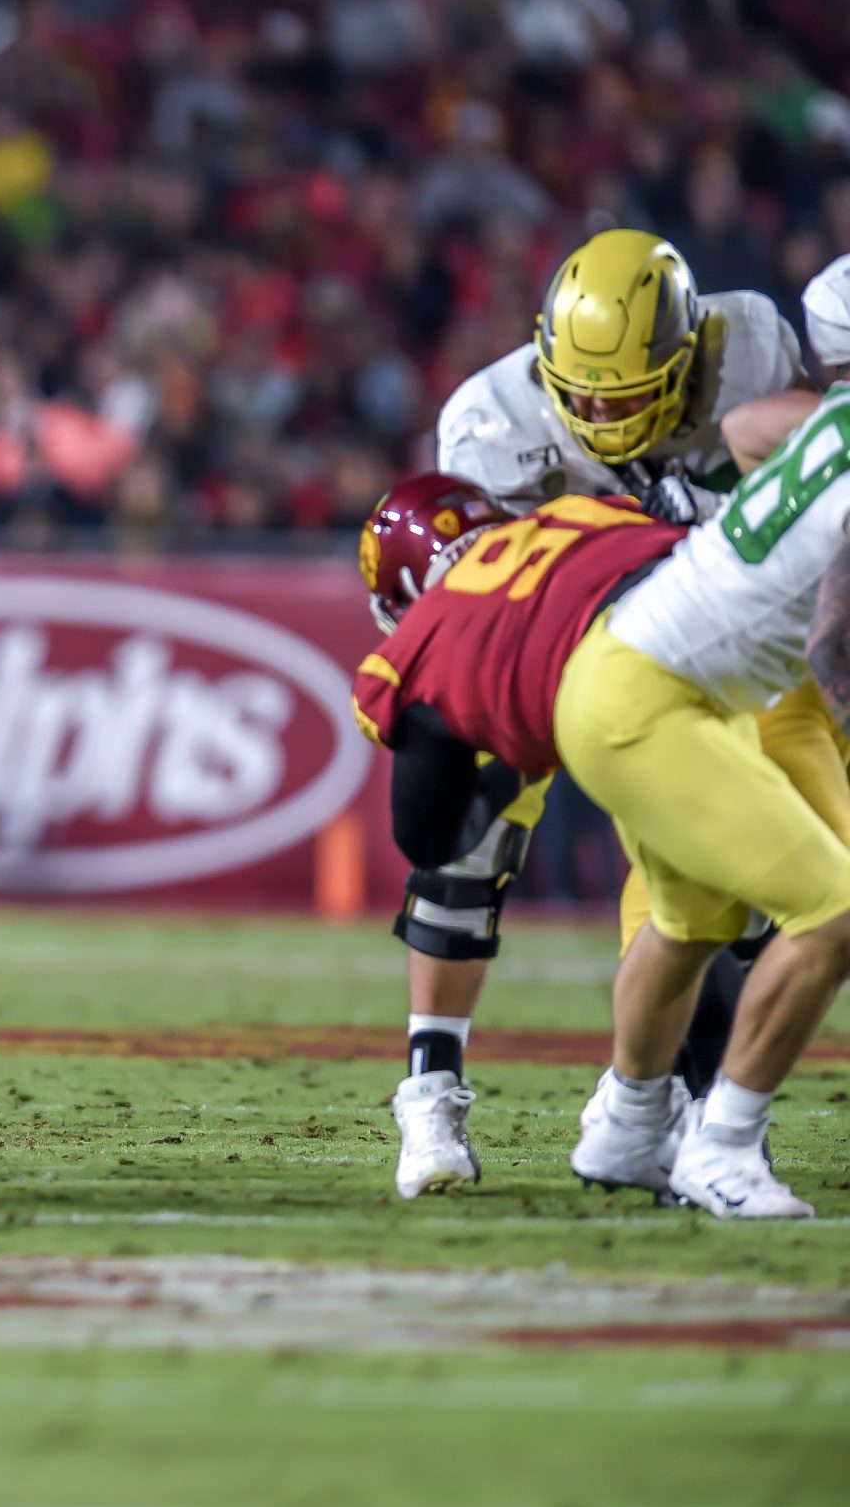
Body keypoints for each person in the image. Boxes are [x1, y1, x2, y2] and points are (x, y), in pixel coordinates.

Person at [383, 228, 816, 1196]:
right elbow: (484, 606)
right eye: (575, 393)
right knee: (462, 842)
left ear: (684, 354)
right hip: (546, 645)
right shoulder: (490, 422)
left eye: (620, 395)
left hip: (688, 639)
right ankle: (431, 1088)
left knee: (706, 865)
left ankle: (667, 1100)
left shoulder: (747, 352)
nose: (595, 413)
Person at [358, 449, 850, 1219]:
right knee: (832, 910)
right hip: (670, 675)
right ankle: (720, 1143)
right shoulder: (575, 515)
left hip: (639, 682)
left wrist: (504, 757)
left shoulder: (436, 631)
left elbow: (424, 835)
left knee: (693, 923)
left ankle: (628, 1123)